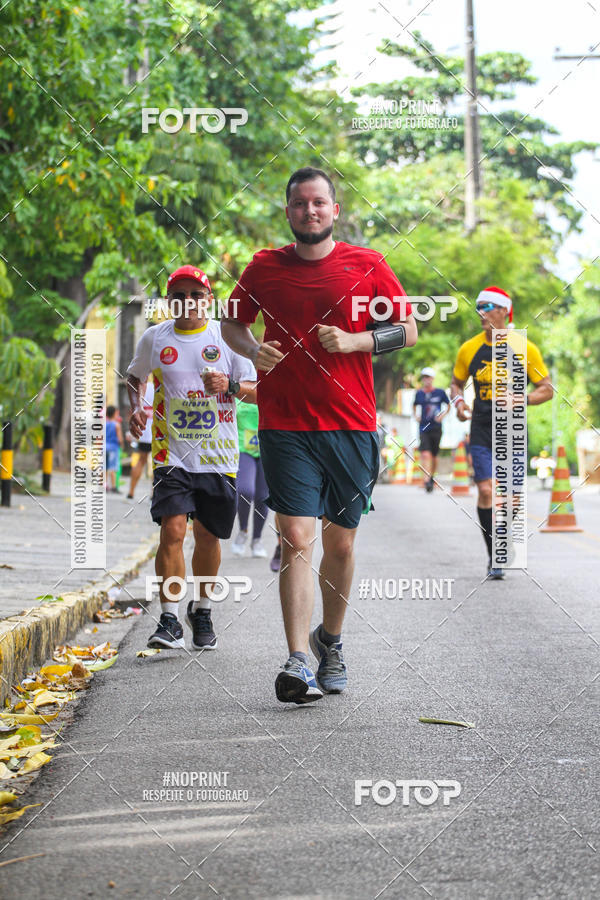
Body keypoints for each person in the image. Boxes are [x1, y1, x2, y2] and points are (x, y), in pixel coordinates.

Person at [222, 166, 417, 703]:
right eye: (300, 203)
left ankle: (330, 641)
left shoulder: (368, 265)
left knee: (343, 542)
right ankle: (297, 660)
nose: (310, 210)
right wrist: (249, 349)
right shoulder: (264, 267)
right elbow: (231, 323)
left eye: (319, 203)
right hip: (284, 424)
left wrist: (356, 342)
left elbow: (408, 329)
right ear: (288, 211)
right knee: (295, 538)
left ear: (335, 210)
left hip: (351, 425)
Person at [126, 265, 257, 650]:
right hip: (172, 453)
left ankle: (201, 610)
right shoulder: (155, 337)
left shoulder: (227, 337)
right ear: (169, 302)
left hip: (218, 456)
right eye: (178, 296)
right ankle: (168, 618)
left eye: (195, 295)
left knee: (207, 535)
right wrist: (138, 407)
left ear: (208, 300)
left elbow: (256, 389)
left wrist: (229, 385)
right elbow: (136, 377)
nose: (187, 303)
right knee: (172, 530)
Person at [450, 286, 553, 579]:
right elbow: (456, 384)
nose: (481, 313)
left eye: (487, 307)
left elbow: (547, 389)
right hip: (481, 426)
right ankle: (495, 553)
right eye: (479, 307)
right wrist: (458, 402)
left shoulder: (525, 348)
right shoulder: (469, 348)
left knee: (512, 499)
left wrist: (522, 398)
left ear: (504, 311)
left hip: (513, 428)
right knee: (485, 490)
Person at [231, 396, 269, 558]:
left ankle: (257, 540)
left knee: (263, 497)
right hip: (243, 448)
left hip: (267, 448)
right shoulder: (239, 382)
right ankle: (243, 530)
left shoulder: (270, 380)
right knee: (245, 491)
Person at [413, 367, 450, 492]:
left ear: (432, 379)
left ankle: (432, 477)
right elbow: (414, 405)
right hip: (423, 427)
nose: (426, 379)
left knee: (434, 456)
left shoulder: (440, 392)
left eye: (428, 377)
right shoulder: (419, 393)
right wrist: (416, 416)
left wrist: (442, 416)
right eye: (424, 377)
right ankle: (426, 480)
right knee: (425, 453)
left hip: (436, 427)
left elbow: (448, 405)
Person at [127, 379, 153, 499]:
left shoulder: (142, 389)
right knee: (159, 463)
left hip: (144, 429)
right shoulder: (160, 386)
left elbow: (132, 409)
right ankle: (154, 493)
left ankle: (131, 491)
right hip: (158, 430)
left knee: (141, 461)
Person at [105, 406, 123, 493]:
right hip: (113, 448)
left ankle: (104, 485)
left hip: (104, 447)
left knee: (104, 467)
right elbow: (119, 438)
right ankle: (113, 487)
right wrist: (122, 444)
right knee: (113, 468)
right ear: (115, 414)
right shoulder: (117, 425)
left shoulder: (104, 424)